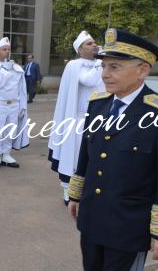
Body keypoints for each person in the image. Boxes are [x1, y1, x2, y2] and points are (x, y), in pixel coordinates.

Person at [67, 28, 158, 271]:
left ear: (142, 70)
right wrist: (76, 193)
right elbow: (87, 154)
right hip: (92, 217)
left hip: (129, 226)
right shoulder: (98, 104)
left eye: (114, 67)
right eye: (103, 66)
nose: (105, 74)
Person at [48, 30, 104, 205]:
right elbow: (88, 81)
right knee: (74, 156)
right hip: (78, 118)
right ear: (79, 50)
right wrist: (101, 63)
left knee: (94, 156)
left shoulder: (100, 64)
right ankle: (68, 189)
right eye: (89, 43)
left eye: (94, 42)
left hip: (98, 118)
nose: (94, 45)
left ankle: (88, 188)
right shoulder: (75, 65)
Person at [0, 37, 29, 170]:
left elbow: (21, 88)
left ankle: (6, 154)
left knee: (10, 130)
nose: (7, 52)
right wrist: (6, 71)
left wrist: (22, 105)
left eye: (8, 49)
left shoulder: (15, 67)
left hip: (13, 103)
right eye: (4, 49)